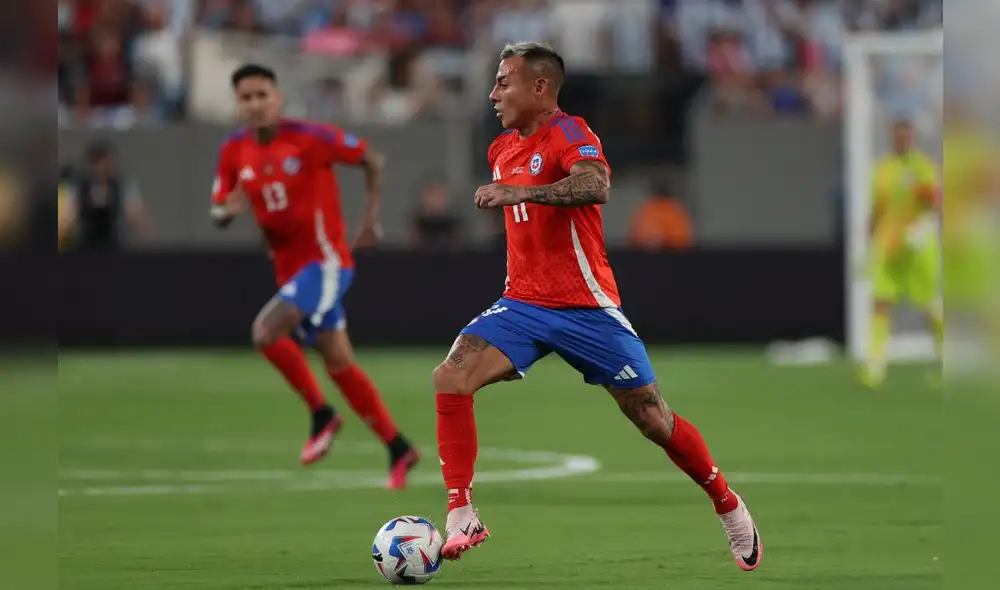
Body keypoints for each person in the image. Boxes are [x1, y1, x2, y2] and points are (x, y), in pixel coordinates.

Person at [431, 42, 762, 570]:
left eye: (503, 82)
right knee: (451, 376)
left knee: (653, 419)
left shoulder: (571, 133)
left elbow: (596, 184)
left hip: (588, 308)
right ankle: (461, 512)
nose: (493, 94)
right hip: (522, 304)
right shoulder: (501, 150)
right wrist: (515, 189)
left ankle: (726, 502)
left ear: (540, 88)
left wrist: (524, 193)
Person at [210, 64, 419, 488]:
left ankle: (322, 414)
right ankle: (399, 447)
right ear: (237, 104)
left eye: (261, 95)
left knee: (265, 333)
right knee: (338, 361)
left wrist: (370, 220)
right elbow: (219, 206)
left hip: (326, 263)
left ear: (278, 98)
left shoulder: (311, 137)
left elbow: (370, 159)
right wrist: (225, 213)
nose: (254, 104)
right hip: (290, 270)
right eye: (245, 97)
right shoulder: (234, 150)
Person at [860, 117, 943, 388]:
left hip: (918, 251)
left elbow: (935, 203)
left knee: (931, 307)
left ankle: (945, 362)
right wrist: (869, 238)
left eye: (906, 136)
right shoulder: (882, 170)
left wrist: (919, 230)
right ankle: (874, 370)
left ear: (912, 138)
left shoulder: (922, 167)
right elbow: (877, 209)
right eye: (897, 136)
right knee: (880, 303)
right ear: (891, 137)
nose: (901, 140)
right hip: (889, 248)